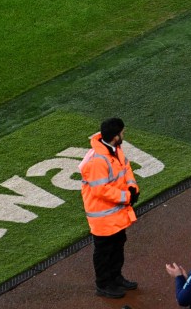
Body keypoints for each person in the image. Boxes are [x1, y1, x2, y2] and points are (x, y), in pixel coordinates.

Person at [79, 117, 139, 299]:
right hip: (102, 216)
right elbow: (100, 190)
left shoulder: (115, 150)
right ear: (115, 137)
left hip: (116, 213)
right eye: (122, 133)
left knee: (118, 246)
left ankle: (116, 277)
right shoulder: (98, 160)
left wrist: (133, 187)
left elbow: (126, 168)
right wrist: (126, 197)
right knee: (104, 252)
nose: (123, 135)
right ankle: (103, 284)